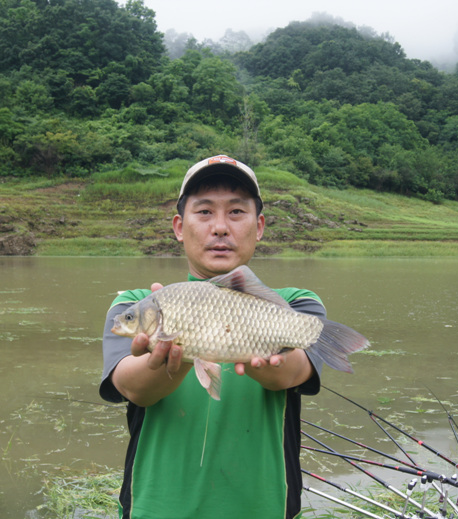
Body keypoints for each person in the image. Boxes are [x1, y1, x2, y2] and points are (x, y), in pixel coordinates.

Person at [100, 154, 331, 519]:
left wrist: (248, 343)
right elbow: (133, 387)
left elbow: (291, 373)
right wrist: (178, 352)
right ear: (179, 226)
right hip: (154, 510)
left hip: (264, 510)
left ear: (259, 226)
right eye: (205, 212)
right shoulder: (135, 303)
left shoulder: (296, 305)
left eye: (236, 212)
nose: (220, 227)